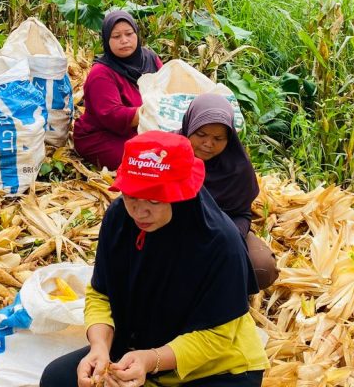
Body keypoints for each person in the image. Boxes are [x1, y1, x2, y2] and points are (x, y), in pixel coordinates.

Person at [41, 131, 269, 387]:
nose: (140, 211)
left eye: (154, 200)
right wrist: (100, 349)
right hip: (136, 349)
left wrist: (151, 360)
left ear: (182, 194)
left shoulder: (220, 244)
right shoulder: (119, 218)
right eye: (131, 197)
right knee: (56, 379)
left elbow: (217, 337)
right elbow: (101, 292)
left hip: (213, 368)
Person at [179, 94, 279, 292]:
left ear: (230, 137)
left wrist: (225, 241)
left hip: (218, 232)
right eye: (201, 134)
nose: (208, 144)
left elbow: (241, 214)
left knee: (262, 267)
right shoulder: (167, 154)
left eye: (218, 138)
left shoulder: (236, 167)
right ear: (189, 126)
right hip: (171, 231)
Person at [73, 11, 162, 170]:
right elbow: (112, 115)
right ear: (107, 40)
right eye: (116, 36)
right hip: (103, 135)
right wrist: (149, 112)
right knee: (149, 163)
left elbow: (167, 87)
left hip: (146, 128)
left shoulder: (150, 58)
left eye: (129, 34)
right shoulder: (101, 73)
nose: (124, 40)